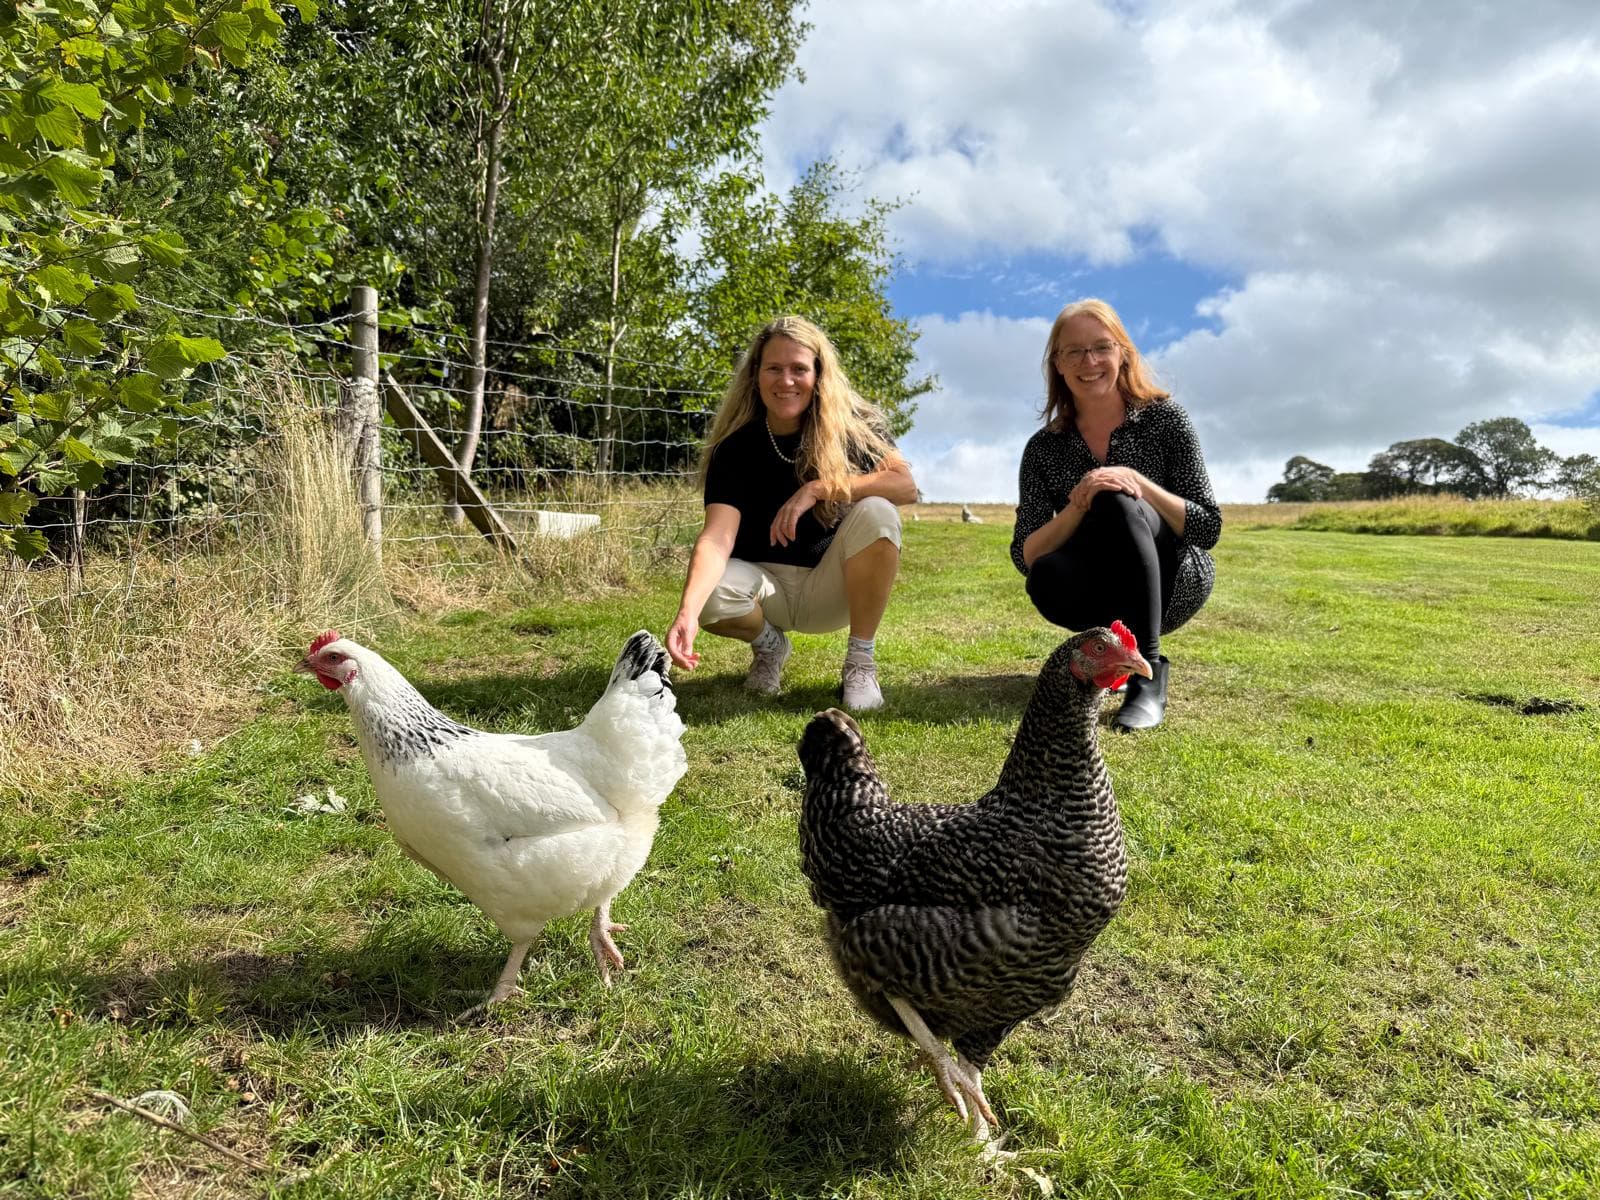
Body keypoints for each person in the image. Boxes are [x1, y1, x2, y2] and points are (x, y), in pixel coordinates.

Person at [666, 316, 919, 711]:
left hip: (831, 587)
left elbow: (905, 486)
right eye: (774, 368)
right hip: (765, 590)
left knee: (878, 512)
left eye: (799, 368)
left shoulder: (854, 429)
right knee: (709, 596)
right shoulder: (735, 449)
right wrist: (687, 613)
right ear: (755, 375)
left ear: (818, 374)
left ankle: (860, 664)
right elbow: (718, 538)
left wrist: (820, 488)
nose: (786, 381)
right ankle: (770, 647)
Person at [1010, 298, 1221, 731]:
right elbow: (1025, 555)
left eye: (1101, 347)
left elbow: (1208, 525)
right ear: (1059, 365)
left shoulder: (1166, 420)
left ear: (1123, 352)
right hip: (1096, 586)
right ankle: (1111, 658)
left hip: (1172, 578)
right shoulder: (1043, 448)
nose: (1090, 362)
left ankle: (1149, 674)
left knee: (1118, 497)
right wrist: (1077, 503)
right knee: (1048, 569)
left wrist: (1137, 483)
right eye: (1074, 351)